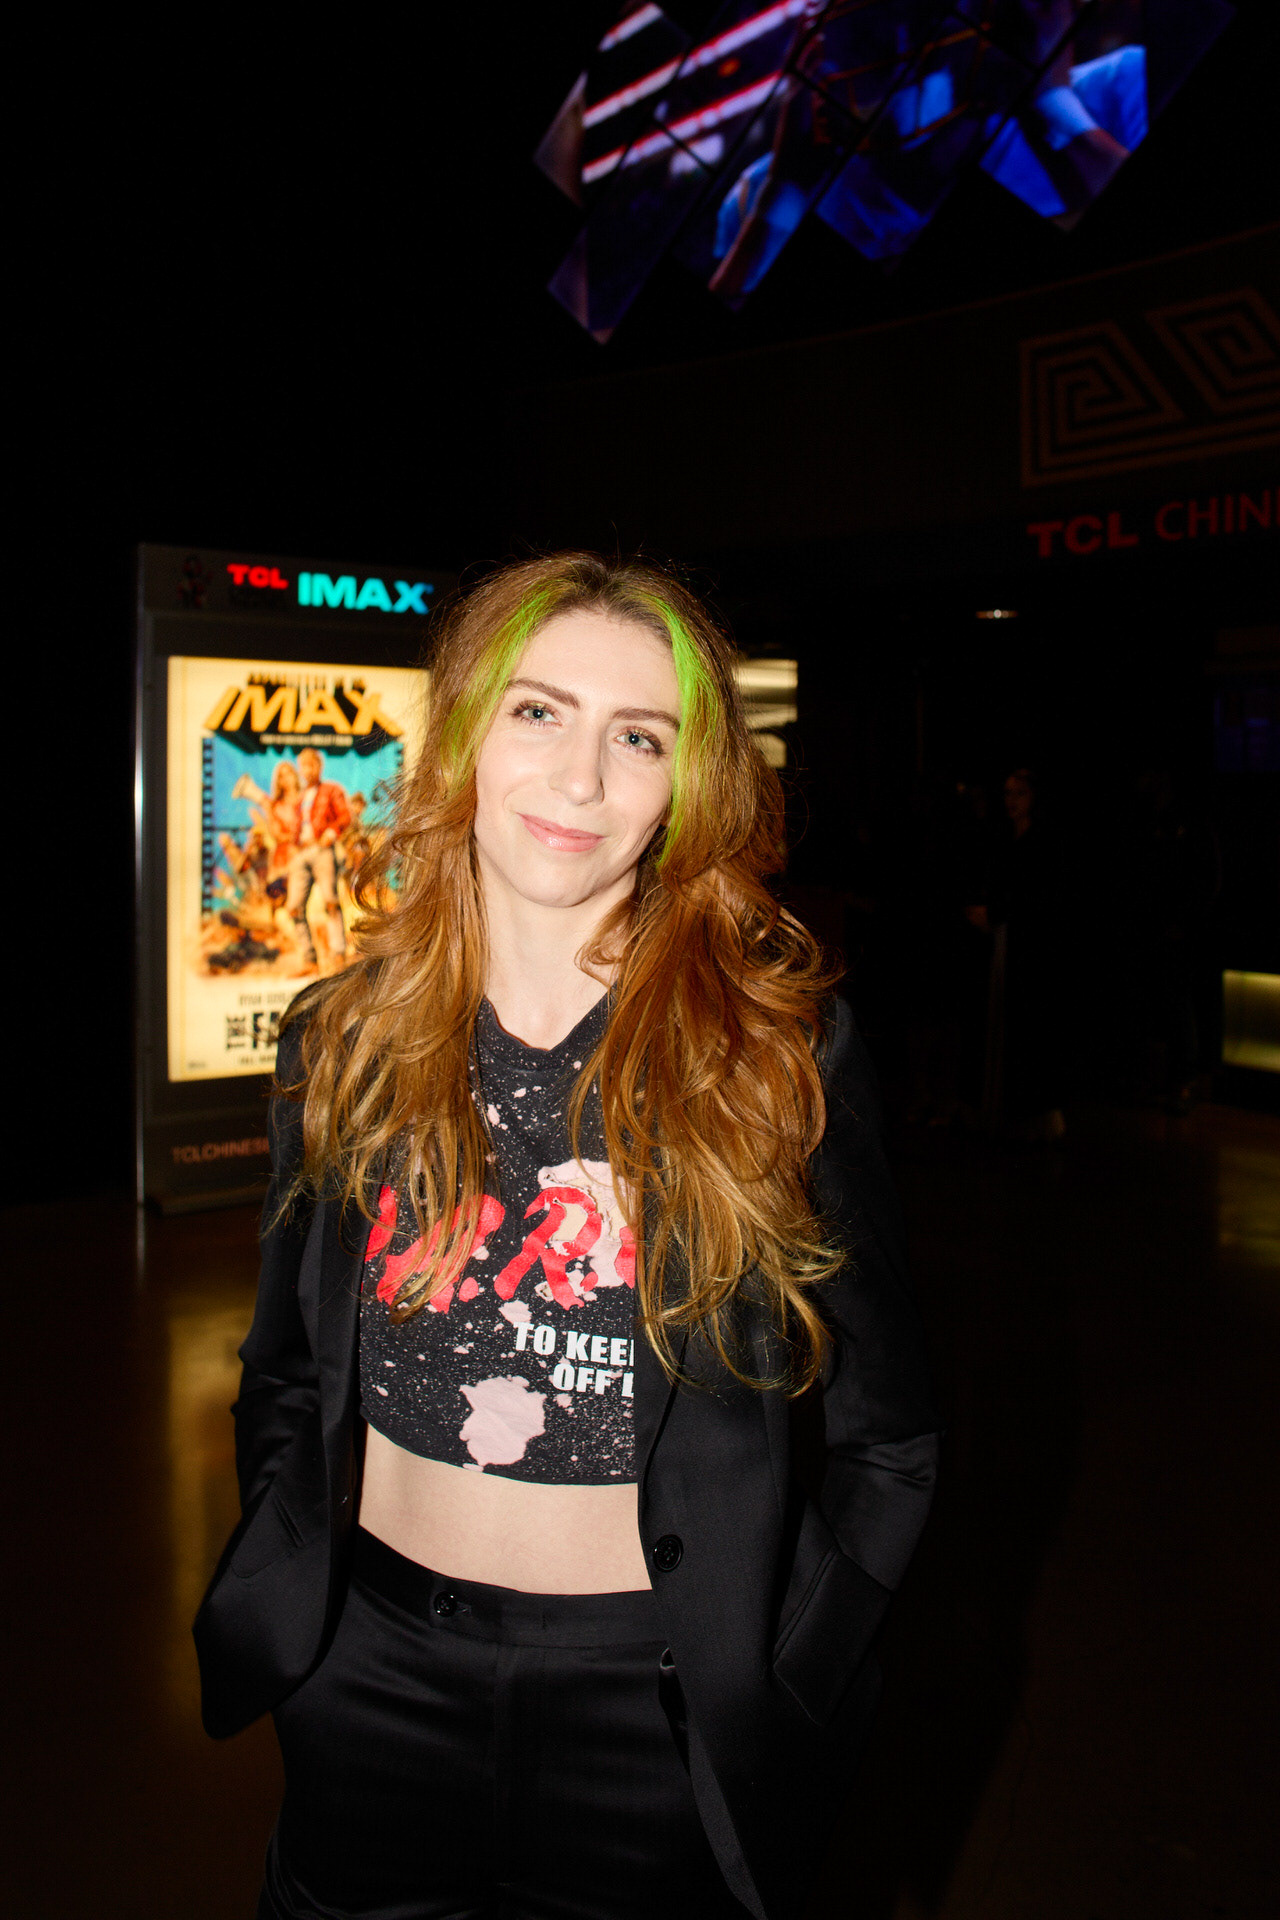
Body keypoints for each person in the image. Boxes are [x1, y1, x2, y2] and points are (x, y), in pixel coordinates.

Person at [194, 553, 939, 1920]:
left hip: (653, 1714)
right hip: (368, 1679)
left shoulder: (772, 1062)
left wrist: (794, 1662)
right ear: (465, 734)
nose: (581, 779)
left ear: (686, 785)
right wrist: (305, 1609)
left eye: (637, 737)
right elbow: (286, 1369)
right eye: (538, 712)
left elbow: (891, 1439)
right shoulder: (341, 1039)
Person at [284, 746, 351, 971]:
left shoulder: (331, 790)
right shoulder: (300, 798)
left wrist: (332, 832)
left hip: (322, 850)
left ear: (319, 766)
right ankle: (309, 959)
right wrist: (292, 848)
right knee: (294, 906)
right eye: (303, 766)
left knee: (330, 901)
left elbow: (345, 816)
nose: (307, 770)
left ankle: (338, 955)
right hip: (301, 852)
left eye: (311, 765)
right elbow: (294, 828)